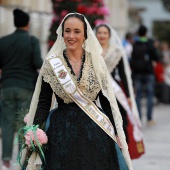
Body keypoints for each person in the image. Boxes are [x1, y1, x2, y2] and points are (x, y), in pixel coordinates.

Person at [18, 13, 133, 170]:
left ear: (85, 35)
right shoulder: (52, 64)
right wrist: (35, 130)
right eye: (67, 31)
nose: (71, 36)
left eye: (77, 31)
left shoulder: (97, 62)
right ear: (62, 33)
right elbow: (44, 102)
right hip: (61, 132)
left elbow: (106, 100)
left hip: (95, 130)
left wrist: (118, 132)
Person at [0, 8, 43, 170]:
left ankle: (5, 161)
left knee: (6, 123)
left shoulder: (3, 41)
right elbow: (38, 63)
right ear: (28, 24)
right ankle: (20, 159)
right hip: (25, 86)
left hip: (6, 87)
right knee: (22, 124)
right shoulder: (32, 41)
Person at [94, 24, 144, 159]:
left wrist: (128, 95)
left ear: (109, 35)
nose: (102, 35)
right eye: (100, 33)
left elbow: (123, 74)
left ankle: (122, 150)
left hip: (113, 90)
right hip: (94, 89)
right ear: (95, 34)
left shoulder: (116, 51)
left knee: (119, 119)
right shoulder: (91, 51)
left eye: (105, 33)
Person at [130, 25, 159, 126]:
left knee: (137, 96)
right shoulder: (150, 44)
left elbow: (131, 59)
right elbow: (156, 57)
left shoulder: (135, 43)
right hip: (148, 72)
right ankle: (149, 118)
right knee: (150, 95)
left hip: (137, 73)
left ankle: (139, 118)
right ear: (146, 33)